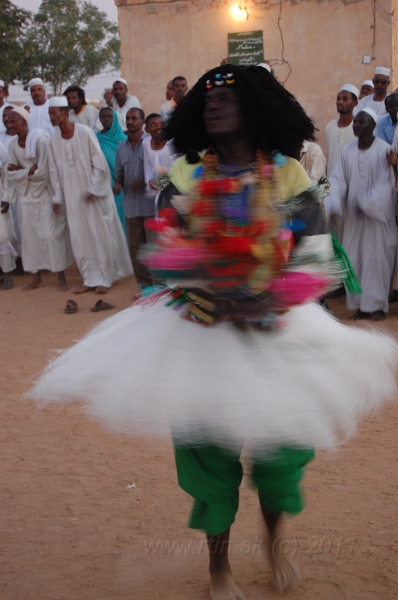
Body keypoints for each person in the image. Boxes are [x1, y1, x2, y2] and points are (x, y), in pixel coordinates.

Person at [30, 66, 398, 600]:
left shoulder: (290, 175)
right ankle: (219, 570)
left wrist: (268, 295)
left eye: (227, 97)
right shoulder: (183, 176)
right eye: (207, 98)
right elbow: (162, 253)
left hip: (277, 329)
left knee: (279, 449)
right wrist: (208, 282)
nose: (213, 103)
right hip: (200, 328)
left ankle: (275, 545)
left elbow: (317, 260)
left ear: (258, 109)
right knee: (207, 454)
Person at [48, 96, 133, 294]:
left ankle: (104, 278)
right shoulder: (53, 140)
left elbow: (99, 164)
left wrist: (94, 188)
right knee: (80, 237)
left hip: (94, 196)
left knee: (99, 235)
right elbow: (54, 172)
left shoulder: (85, 132)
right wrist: (57, 198)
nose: (51, 117)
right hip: (72, 197)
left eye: (54, 113)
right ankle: (89, 278)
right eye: (49, 114)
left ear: (64, 113)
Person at [325, 108, 396, 321]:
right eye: (355, 122)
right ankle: (361, 307)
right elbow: (336, 180)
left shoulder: (384, 149)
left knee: (377, 261)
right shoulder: (347, 151)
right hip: (354, 219)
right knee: (354, 260)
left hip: (378, 220)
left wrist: (366, 204)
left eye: (361, 122)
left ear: (373, 126)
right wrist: (335, 205)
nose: (356, 126)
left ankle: (377, 307)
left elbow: (386, 184)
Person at [5, 107, 73, 291]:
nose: (9, 124)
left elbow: (44, 171)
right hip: (25, 197)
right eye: (8, 121)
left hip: (44, 195)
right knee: (29, 238)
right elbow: (9, 172)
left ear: (24, 122)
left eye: (13, 121)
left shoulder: (41, 140)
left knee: (52, 236)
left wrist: (22, 172)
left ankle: (61, 276)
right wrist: (28, 171)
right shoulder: (12, 145)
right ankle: (36, 277)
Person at [114, 107, 154, 289]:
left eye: (134, 118)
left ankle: (161, 291)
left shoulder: (153, 144)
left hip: (152, 207)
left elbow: (168, 174)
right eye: (128, 118)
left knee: (154, 251)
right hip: (131, 208)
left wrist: (147, 183)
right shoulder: (121, 148)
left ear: (142, 122)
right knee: (136, 252)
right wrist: (118, 185)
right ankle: (145, 290)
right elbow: (119, 174)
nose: (130, 121)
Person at [96, 106, 127, 235]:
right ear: (100, 119)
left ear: (115, 119)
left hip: (121, 187)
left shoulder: (124, 140)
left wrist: (120, 181)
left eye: (110, 116)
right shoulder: (95, 138)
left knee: (121, 218)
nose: (107, 119)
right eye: (104, 117)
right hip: (103, 185)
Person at [325, 84, 358, 177]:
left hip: (353, 180)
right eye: (338, 99)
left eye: (345, 99)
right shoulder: (330, 127)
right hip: (333, 181)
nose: (340, 102)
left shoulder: (359, 128)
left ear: (355, 103)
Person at [143, 113, 174, 210]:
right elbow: (147, 166)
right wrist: (150, 181)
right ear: (147, 130)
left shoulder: (173, 143)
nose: (159, 127)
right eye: (153, 125)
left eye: (161, 124)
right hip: (159, 192)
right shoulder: (146, 143)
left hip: (177, 191)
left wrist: (165, 183)